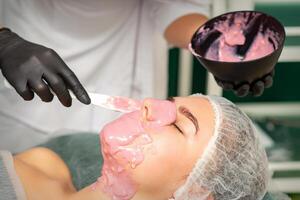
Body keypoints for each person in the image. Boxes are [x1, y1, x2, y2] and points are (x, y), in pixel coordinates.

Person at [0, 1, 275, 153]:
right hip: (28, 79)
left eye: (178, 124)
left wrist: (212, 46)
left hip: (125, 68)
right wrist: (4, 41)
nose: (155, 109)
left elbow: (174, 6)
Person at [0, 94, 277, 200]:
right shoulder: (43, 162)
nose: (148, 104)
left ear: (196, 192)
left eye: (179, 125)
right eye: (167, 102)